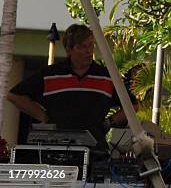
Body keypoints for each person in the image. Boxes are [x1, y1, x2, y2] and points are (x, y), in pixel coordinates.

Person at [7, 24, 138, 151]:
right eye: (82, 46)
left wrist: (109, 122)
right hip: (55, 147)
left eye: (91, 45)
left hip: (95, 148)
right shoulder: (50, 74)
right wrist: (43, 116)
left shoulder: (106, 76)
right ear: (69, 49)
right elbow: (14, 96)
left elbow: (133, 106)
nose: (89, 51)